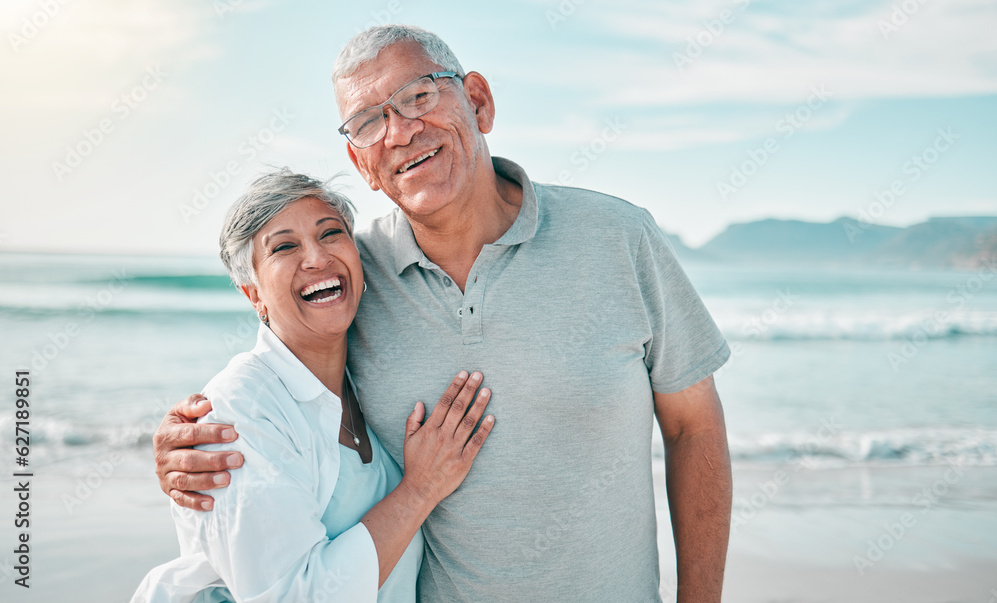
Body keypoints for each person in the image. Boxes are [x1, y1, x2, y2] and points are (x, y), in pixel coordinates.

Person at [154, 25, 733, 602]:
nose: (401, 131)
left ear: (477, 101)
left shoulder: (619, 238)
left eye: (418, 96)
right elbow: (285, 373)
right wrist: (191, 442)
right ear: (361, 162)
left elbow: (694, 426)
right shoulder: (354, 272)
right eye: (369, 121)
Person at [133, 170, 494, 602]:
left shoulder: (363, 379)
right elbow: (293, 596)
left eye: (331, 234)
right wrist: (420, 490)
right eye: (285, 246)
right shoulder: (239, 410)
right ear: (253, 294)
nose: (317, 258)